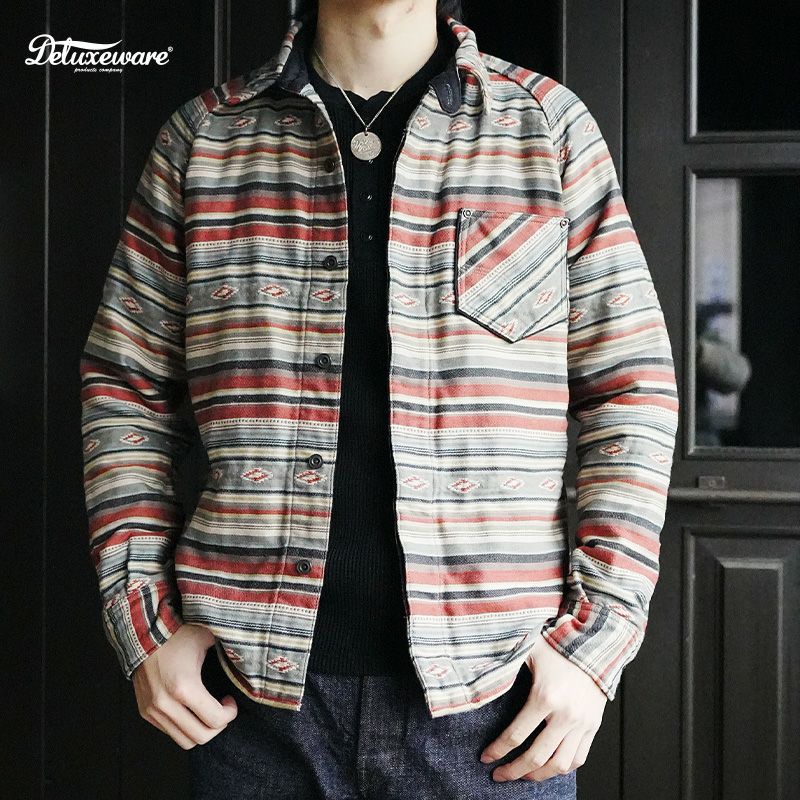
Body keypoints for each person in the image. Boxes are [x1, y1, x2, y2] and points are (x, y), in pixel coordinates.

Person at [78, 1, 679, 797]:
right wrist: (145, 624)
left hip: (497, 704)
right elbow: (126, 388)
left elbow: (630, 389)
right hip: (250, 706)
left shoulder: (546, 129)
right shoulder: (205, 139)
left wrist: (592, 647)